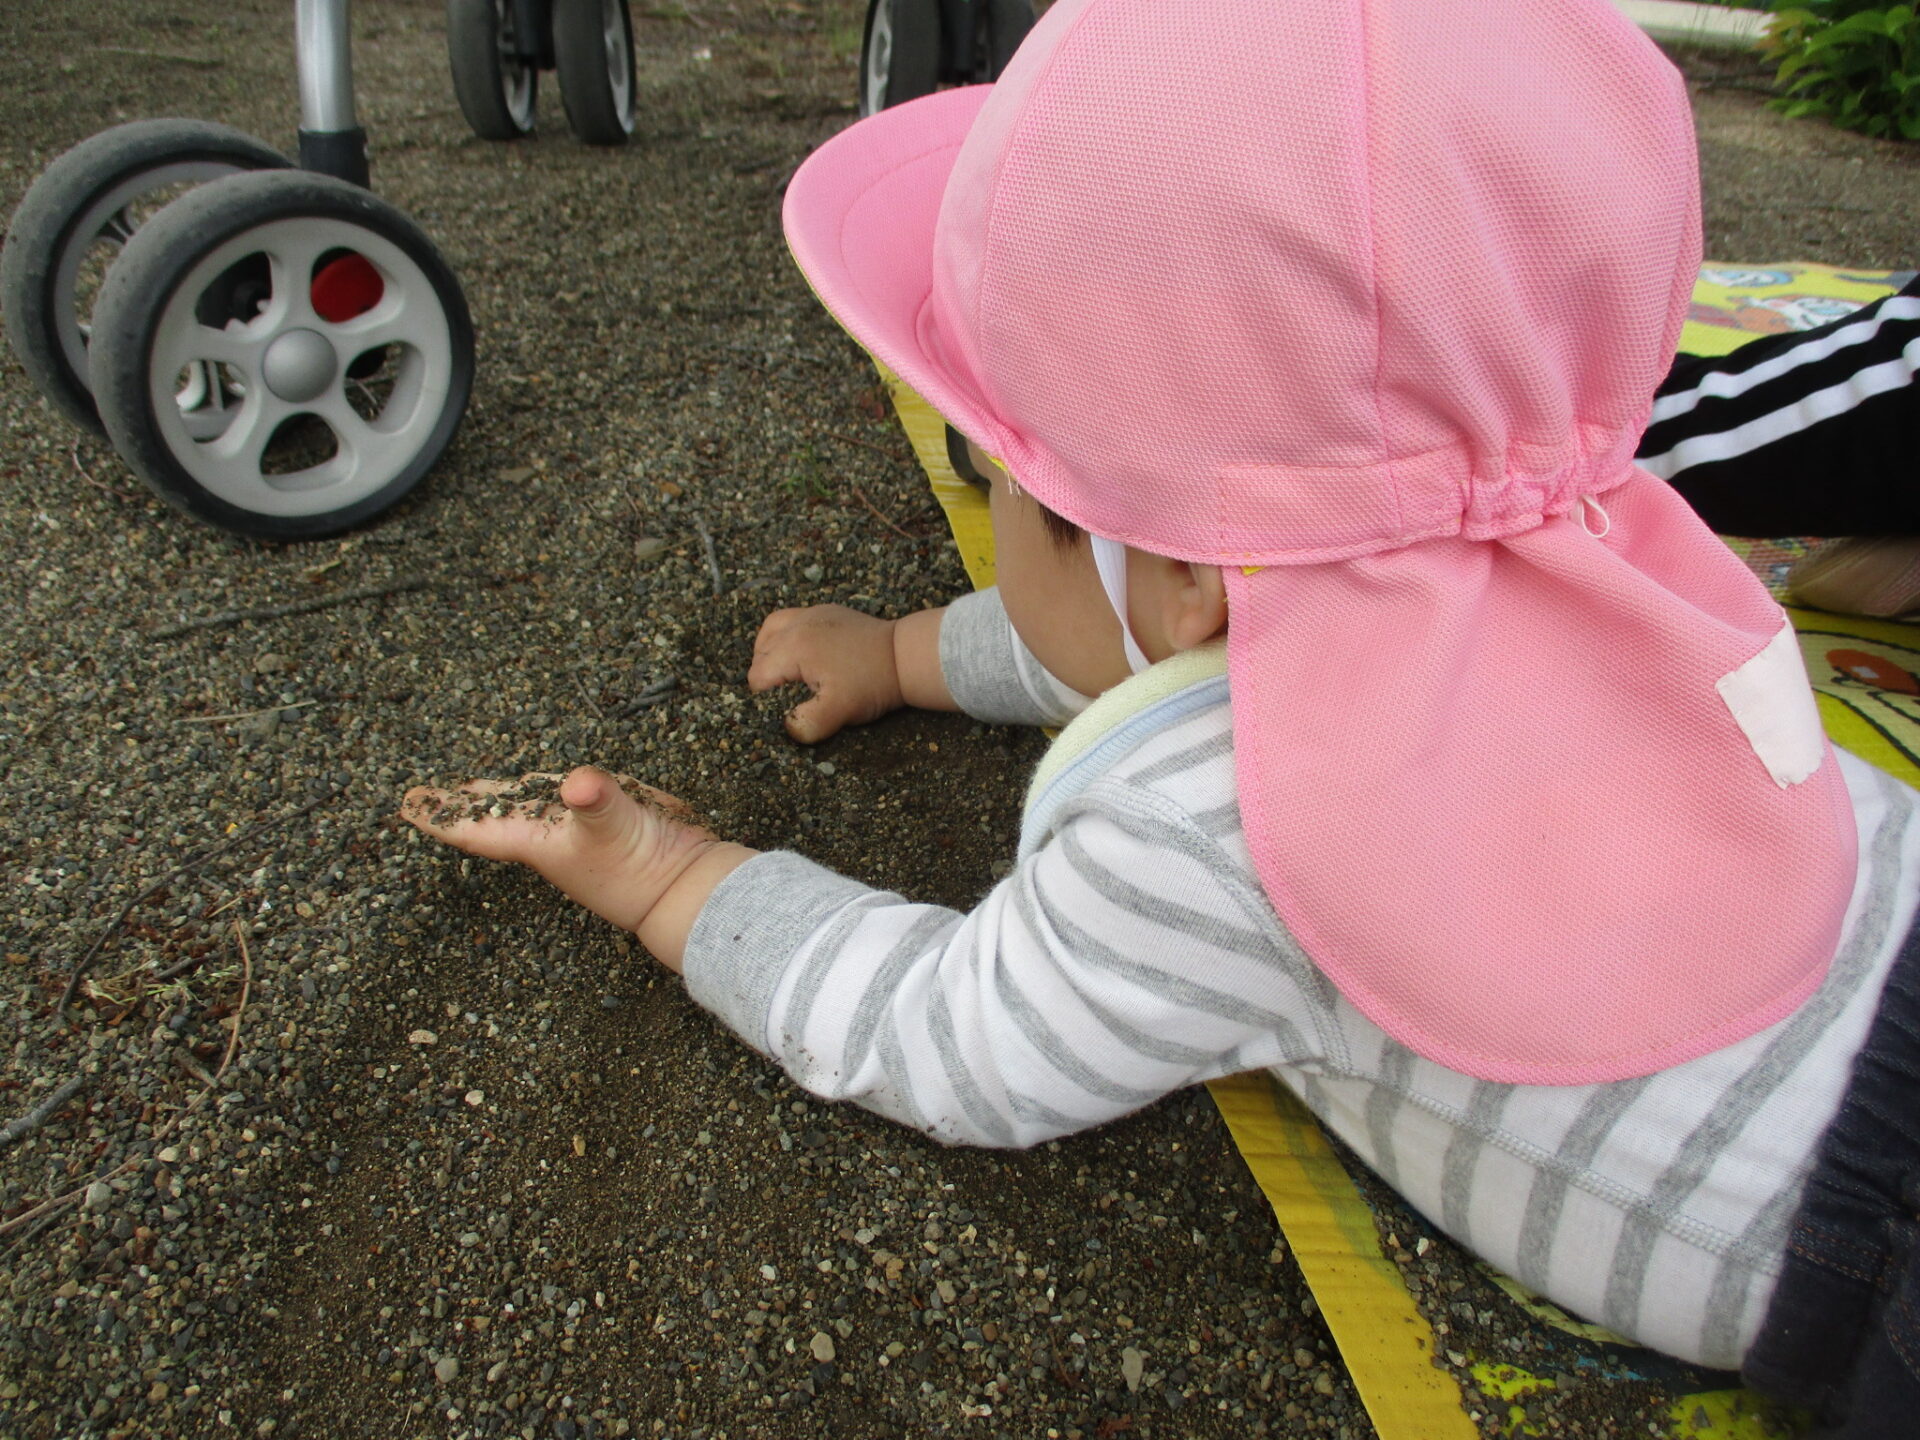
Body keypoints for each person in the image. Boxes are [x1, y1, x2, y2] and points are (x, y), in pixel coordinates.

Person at [402, 1, 1920, 1430]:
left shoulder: (1223, 821)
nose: (992, 493)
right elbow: (1130, 624)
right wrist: (908, 654)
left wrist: (670, 876)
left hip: (1867, 1244)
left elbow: (952, 1040)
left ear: (1187, 572)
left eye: (1009, 477)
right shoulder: (1589, 527)